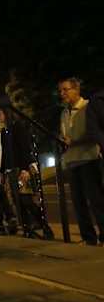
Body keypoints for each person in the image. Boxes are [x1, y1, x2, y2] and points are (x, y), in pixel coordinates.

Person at [58, 77, 104, 246]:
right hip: (71, 161)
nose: (62, 94)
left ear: (75, 89)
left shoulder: (87, 107)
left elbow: (94, 132)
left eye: (65, 89)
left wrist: (74, 141)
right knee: (78, 205)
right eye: (60, 91)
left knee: (97, 201)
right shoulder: (63, 113)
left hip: (88, 159)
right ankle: (88, 238)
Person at [0, 108, 54, 240]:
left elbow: (24, 149)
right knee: (17, 202)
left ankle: (43, 225)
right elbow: (4, 153)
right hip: (10, 171)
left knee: (26, 200)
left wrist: (24, 169)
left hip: (21, 168)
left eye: (0, 113)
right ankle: (27, 228)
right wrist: (1, 172)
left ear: (7, 114)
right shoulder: (3, 132)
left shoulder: (18, 128)